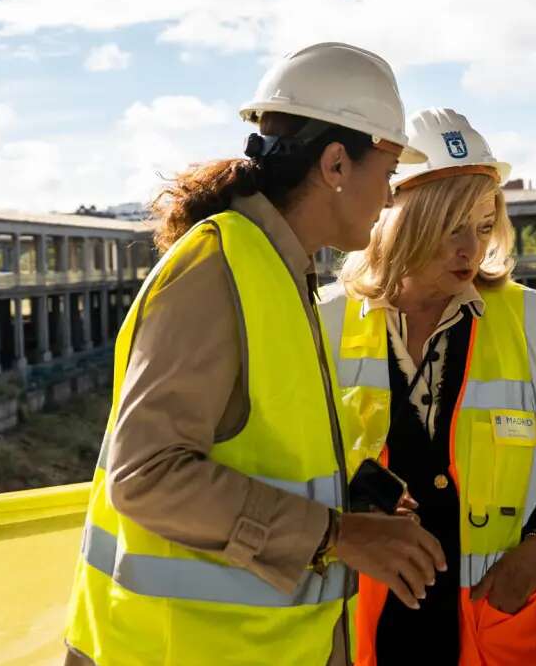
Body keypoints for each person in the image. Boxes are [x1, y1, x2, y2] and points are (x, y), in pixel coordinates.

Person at [65, 42, 449, 666]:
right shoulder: (216, 269)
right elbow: (148, 476)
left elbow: (261, 441)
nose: (388, 198)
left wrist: (361, 489)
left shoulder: (276, 268)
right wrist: (337, 534)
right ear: (335, 165)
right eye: (386, 173)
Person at [329, 109, 536, 665]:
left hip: (495, 633)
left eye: (482, 226)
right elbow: (296, 465)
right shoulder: (322, 325)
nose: (470, 250)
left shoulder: (535, 326)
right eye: (451, 226)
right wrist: (369, 496)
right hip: (366, 631)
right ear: (397, 219)